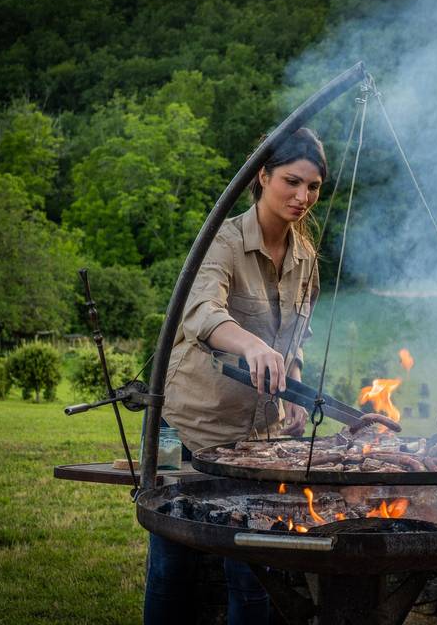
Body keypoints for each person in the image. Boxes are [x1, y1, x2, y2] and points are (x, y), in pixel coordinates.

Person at [144, 127, 325, 625]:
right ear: (261, 176)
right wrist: (251, 343)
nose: (302, 197)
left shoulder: (306, 257)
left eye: (313, 187)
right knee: (172, 564)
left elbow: (297, 338)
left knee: (252, 573)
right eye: (291, 181)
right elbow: (200, 311)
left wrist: (291, 383)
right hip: (190, 427)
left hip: (259, 437)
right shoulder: (221, 240)